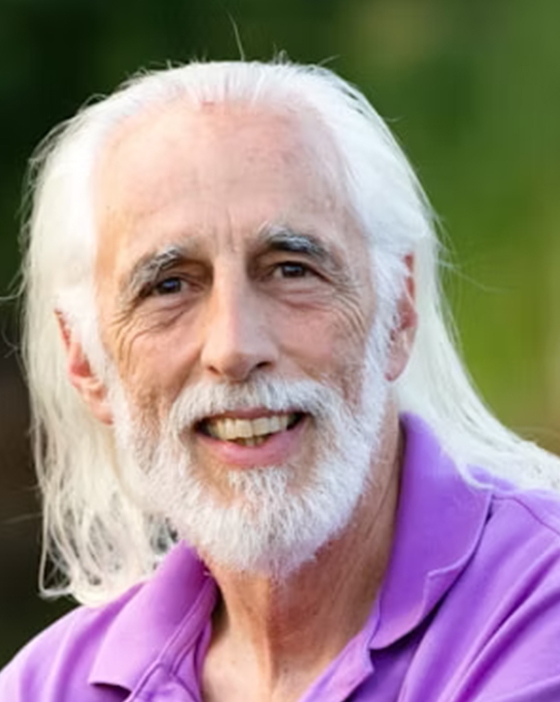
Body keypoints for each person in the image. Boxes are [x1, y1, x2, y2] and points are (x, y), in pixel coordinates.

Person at [2, 59, 560, 702]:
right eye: (170, 285)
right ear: (85, 360)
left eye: (292, 269)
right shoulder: (47, 684)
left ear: (399, 310)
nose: (235, 347)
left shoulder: (538, 605)